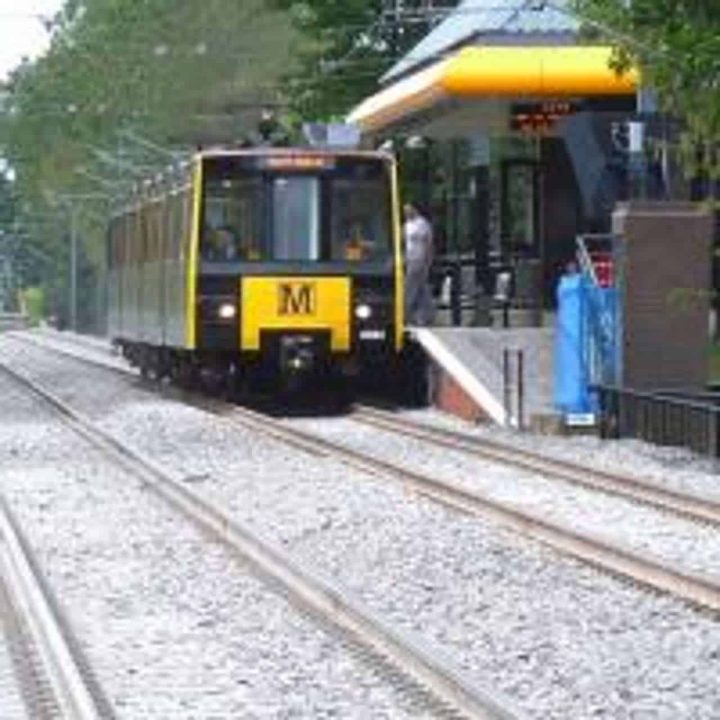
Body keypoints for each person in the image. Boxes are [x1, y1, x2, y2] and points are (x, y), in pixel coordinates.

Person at [403, 203, 434, 325]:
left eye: (408, 210)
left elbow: (428, 243)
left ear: (414, 210)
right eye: (405, 211)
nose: (406, 213)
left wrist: (428, 260)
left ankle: (408, 315)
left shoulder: (422, 224)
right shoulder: (406, 225)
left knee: (410, 287)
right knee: (422, 288)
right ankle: (426, 316)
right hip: (409, 259)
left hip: (419, 259)